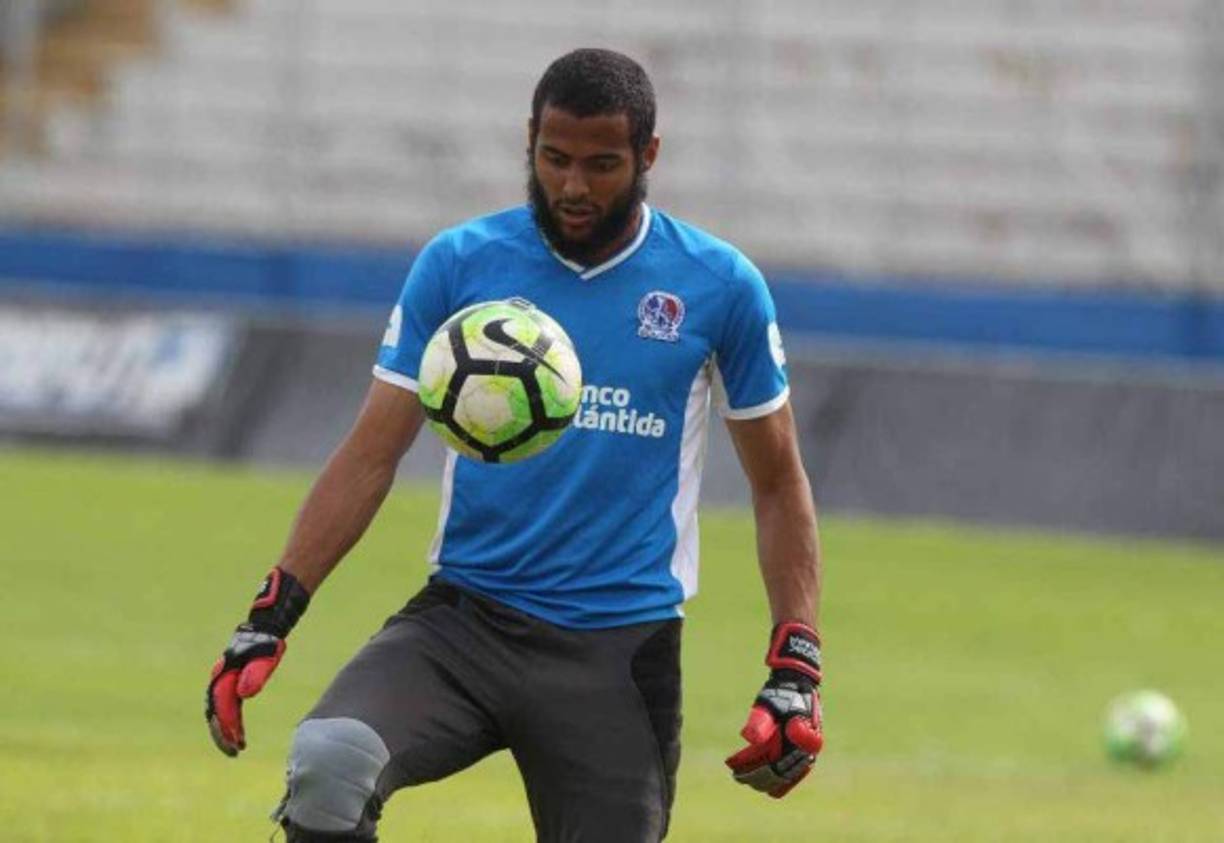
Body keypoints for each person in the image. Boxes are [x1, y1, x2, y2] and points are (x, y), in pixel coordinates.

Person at [205, 47, 824, 842]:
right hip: (462, 626)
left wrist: (795, 665)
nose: (573, 186)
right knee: (329, 764)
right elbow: (371, 453)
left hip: (617, 651)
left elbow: (779, 485)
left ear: (649, 156)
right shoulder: (461, 264)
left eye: (602, 164)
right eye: (554, 158)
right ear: (528, 140)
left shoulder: (720, 285)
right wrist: (273, 610)